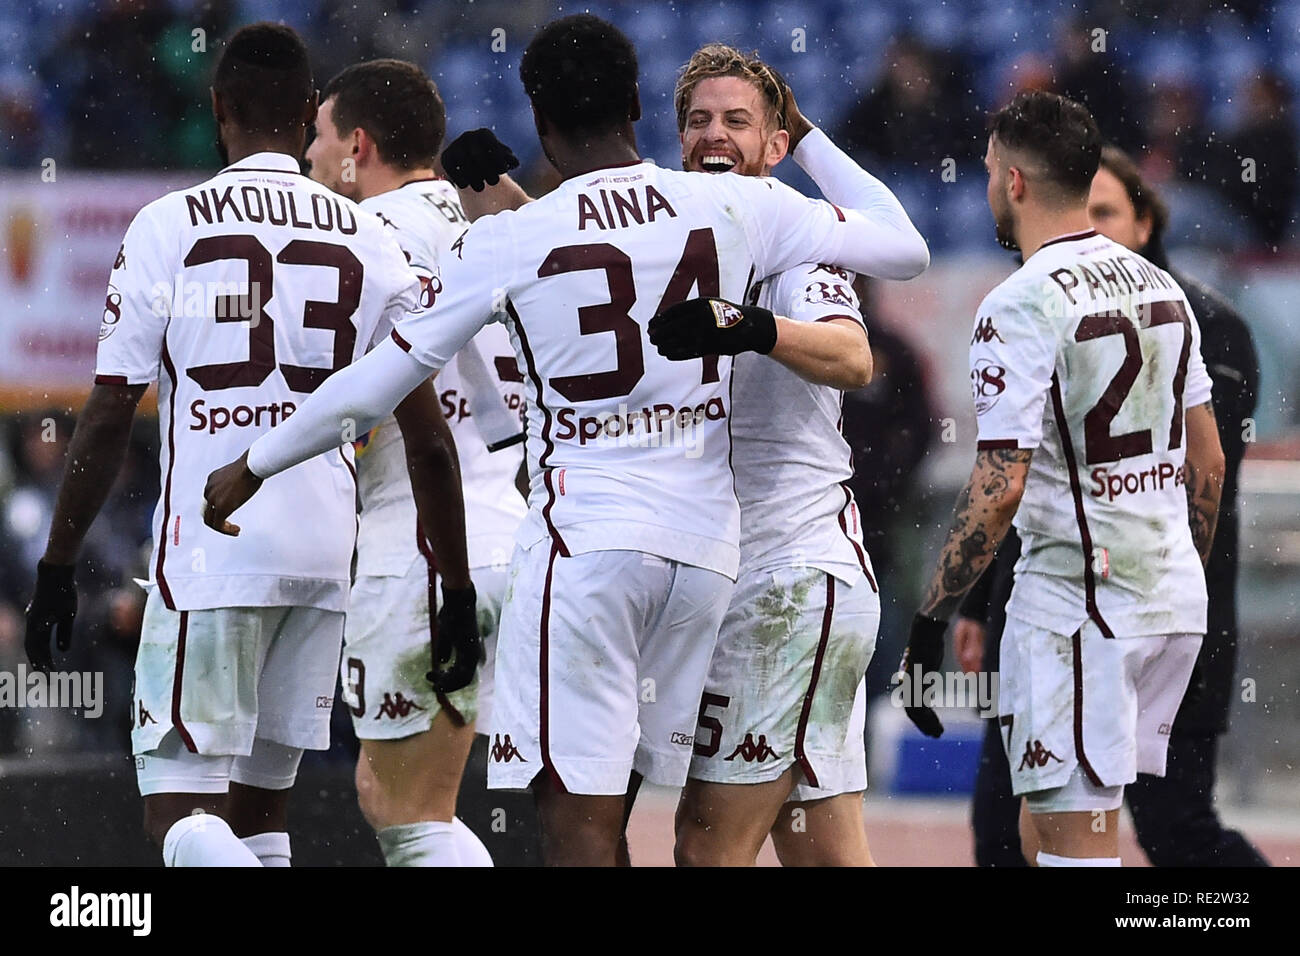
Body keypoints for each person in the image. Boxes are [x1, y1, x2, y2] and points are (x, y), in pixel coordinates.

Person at [201, 13, 928, 866]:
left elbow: (377, 384)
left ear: (539, 123)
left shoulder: (515, 236)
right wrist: (800, 135)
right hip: (706, 564)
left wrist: (254, 462)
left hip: (588, 557)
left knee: (580, 832)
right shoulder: (742, 202)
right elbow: (907, 249)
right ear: (637, 103)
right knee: (713, 841)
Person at [23, 23, 476, 867]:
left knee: (181, 816)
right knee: (262, 817)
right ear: (309, 113)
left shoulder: (166, 225)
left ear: (218, 108)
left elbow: (111, 410)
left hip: (213, 549)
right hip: (320, 555)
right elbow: (431, 441)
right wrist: (452, 584)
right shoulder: (371, 237)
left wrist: (57, 565)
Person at [898, 90, 1225, 866]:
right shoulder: (1162, 286)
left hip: (1079, 607)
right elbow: (1206, 459)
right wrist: (1176, 571)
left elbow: (1000, 481)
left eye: (986, 171)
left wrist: (930, 620)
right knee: (1043, 832)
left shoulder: (1018, 304)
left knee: (1078, 849)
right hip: (1165, 592)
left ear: (1013, 181)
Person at [958, 144, 1268, 867]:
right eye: (1081, 210)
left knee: (1175, 827)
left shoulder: (1204, 320)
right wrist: (978, 603)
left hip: (1163, 603)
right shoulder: (1038, 305)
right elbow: (1020, 474)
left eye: (1106, 212)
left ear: (1145, 222)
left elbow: (1203, 465)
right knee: (1005, 826)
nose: (1087, 226)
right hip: (1052, 604)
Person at [663, 44, 919, 867]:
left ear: (775, 146)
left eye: (739, 120)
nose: (715, 134)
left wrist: (752, 327)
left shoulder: (793, 240)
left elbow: (854, 357)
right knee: (824, 852)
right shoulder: (670, 232)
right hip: (756, 578)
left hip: (789, 577)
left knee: (707, 846)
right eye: (699, 119)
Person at [303, 58, 532, 866]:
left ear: (356, 147)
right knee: (412, 797)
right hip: (525, 530)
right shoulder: (500, 221)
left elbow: (363, 406)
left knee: (408, 807)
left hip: (430, 540)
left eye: (318, 142)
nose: (309, 162)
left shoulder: (362, 237)